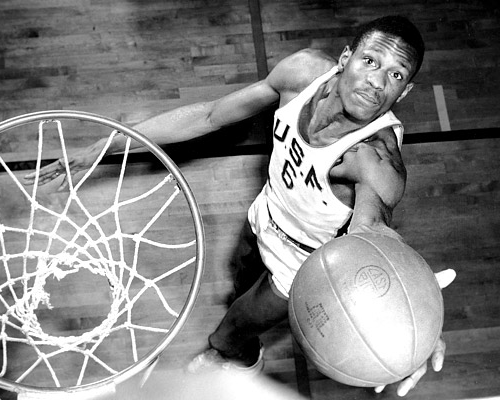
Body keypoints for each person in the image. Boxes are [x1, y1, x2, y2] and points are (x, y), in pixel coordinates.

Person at [25, 15, 455, 397]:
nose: (377, 82)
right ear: (346, 57)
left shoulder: (376, 160)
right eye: (371, 61)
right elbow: (210, 115)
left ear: (405, 90)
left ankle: (238, 358)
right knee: (240, 274)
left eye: (395, 75)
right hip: (267, 214)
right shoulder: (302, 72)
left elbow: (375, 235)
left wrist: (412, 326)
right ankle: (239, 336)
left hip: (303, 265)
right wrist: (112, 143)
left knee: (232, 328)